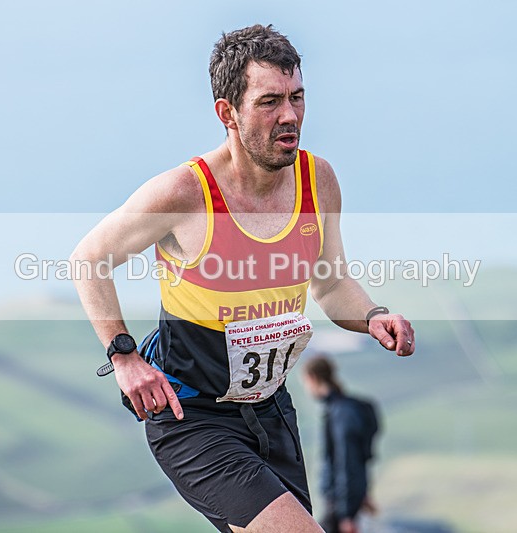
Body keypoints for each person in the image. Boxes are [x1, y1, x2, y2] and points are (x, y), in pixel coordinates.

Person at [70, 24, 415, 533]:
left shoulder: (318, 180)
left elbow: (330, 281)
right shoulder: (183, 194)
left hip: (271, 412)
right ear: (227, 112)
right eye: (270, 101)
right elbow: (88, 258)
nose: (291, 116)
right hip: (193, 417)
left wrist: (373, 316)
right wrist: (123, 356)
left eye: (297, 97)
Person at [302, 355, 382, 533]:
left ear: (312, 378)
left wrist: (346, 514)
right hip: (347, 500)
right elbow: (361, 457)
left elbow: (347, 461)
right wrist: (362, 493)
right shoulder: (346, 409)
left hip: (339, 505)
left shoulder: (340, 414)